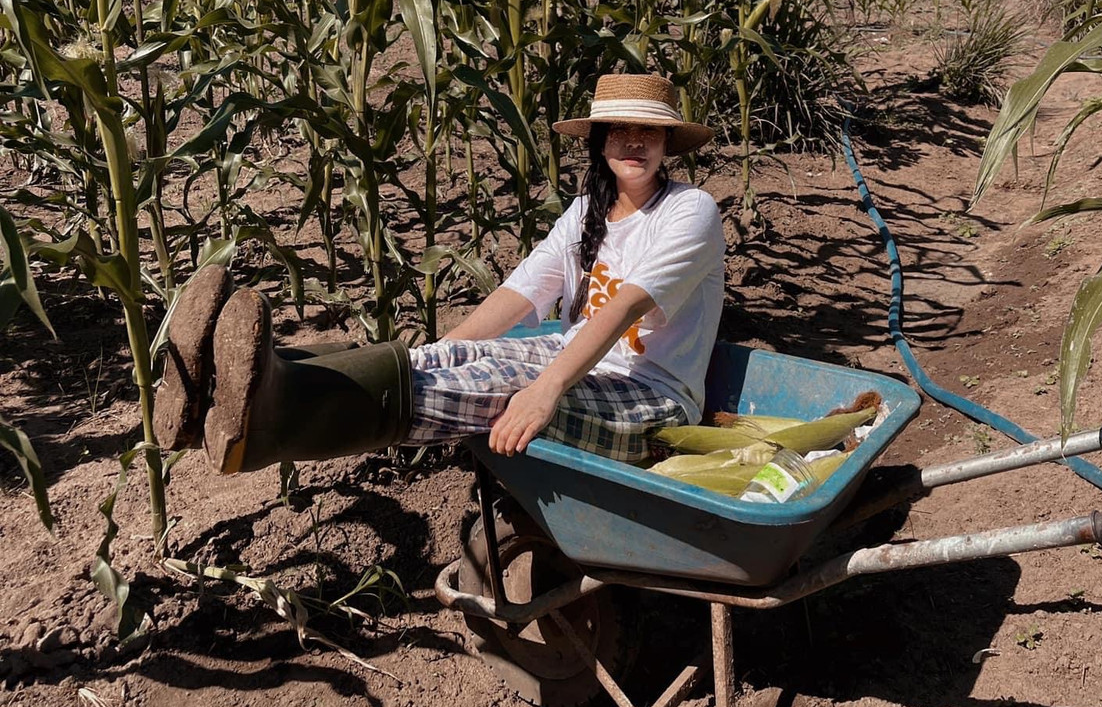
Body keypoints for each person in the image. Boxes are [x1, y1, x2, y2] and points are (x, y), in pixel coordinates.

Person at [154, 71, 725, 473]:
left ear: (668, 142)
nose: (634, 141)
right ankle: (215, 387)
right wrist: (436, 352)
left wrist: (545, 390)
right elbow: (521, 293)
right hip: (577, 354)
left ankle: (263, 429)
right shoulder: (586, 212)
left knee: (500, 391)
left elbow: (625, 305)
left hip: (649, 396)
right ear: (598, 141)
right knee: (445, 363)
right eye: (621, 128)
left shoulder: (689, 211)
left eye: (649, 130)